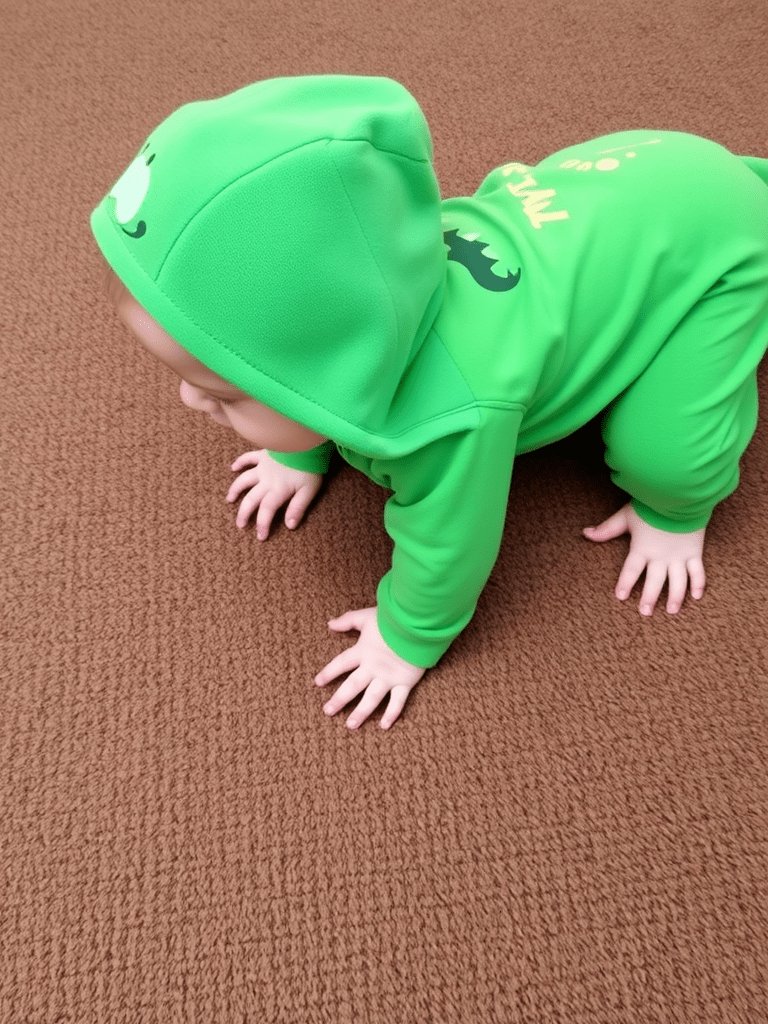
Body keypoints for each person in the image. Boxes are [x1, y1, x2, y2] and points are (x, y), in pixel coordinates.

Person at [91, 74, 768, 731]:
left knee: (665, 457)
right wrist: (292, 445)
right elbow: (304, 346)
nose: (187, 400)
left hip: (719, 245)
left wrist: (406, 635)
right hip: (632, 179)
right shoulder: (370, 259)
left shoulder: (454, 414)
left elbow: (452, 544)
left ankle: (679, 508)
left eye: (223, 394)